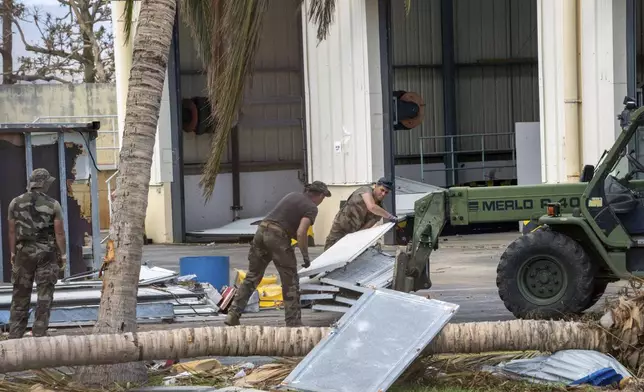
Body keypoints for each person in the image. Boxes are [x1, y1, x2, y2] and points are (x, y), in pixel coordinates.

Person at [225, 181, 331, 327]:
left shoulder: (292, 195)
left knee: (252, 277)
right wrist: (306, 257)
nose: (321, 202)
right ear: (319, 195)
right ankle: (293, 323)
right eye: (323, 198)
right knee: (290, 281)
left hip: (261, 232)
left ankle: (233, 314)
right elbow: (301, 233)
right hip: (278, 237)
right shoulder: (311, 207)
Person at [7, 168, 67, 339]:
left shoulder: (14, 203)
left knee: (20, 295)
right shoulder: (53, 204)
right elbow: (59, 233)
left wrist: (12, 253)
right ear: (43, 183)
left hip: (23, 253)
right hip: (47, 255)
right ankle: (39, 334)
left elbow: (11, 232)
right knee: (44, 295)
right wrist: (63, 255)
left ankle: (15, 336)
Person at [324, 177, 397, 250]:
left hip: (354, 233)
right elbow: (371, 207)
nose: (383, 194)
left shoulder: (381, 209)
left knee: (347, 253)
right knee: (330, 249)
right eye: (382, 190)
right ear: (376, 186)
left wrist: (356, 238)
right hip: (341, 227)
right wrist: (390, 216)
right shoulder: (365, 190)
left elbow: (366, 227)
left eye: (386, 192)